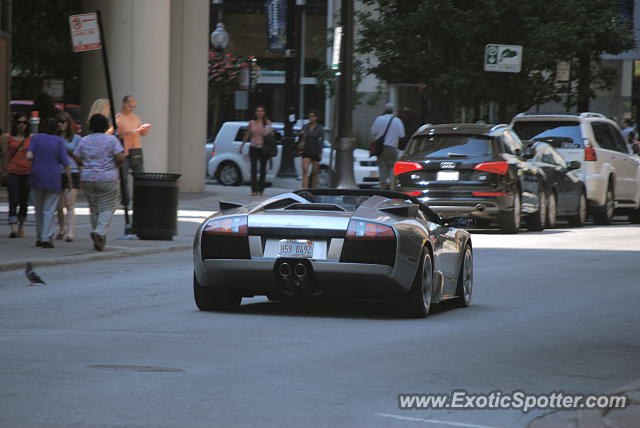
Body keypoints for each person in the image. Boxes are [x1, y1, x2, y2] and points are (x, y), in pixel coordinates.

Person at [72, 114, 125, 251]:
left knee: (94, 209)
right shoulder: (111, 140)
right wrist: (116, 163)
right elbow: (120, 157)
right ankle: (99, 232)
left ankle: (99, 240)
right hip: (108, 177)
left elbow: (76, 157)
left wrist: (87, 164)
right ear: (106, 126)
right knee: (108, 208)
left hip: (88, 177)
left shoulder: (84, 140)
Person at [25, 118, 71, 248]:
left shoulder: (35, 138)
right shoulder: (58, 141)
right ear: (56, 128)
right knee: (49, 209)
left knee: (38, 209)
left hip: (36, 176)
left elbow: (29, 155)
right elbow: (66, 163)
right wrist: (69, 180)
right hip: (52, 178)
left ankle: (39, 237)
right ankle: (46, 237)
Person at [1, 113, 32, 238]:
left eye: (24, 123)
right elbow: (3, 154)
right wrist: (4, 170)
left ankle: (21, 226)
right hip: (13, 171)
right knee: (13, 198)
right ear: (15, 123)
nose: (21, 125)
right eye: (19, 122)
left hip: (27, 172)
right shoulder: (8, 137)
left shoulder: (31, 138)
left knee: (24, 200)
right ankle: (13, 225)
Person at [55, 112, 82, 242]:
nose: (61, 124)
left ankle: (70, 232)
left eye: (63, 122)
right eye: (59, 122)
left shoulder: (76, 138)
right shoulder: (54, 138)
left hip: (73, 171)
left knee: (69, 203)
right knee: (59, 205)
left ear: (68, 123)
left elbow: (81, 156)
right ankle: (61, 228)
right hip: (57, 172)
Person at [239, 105, 272, 196]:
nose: (259, 113)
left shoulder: (267, 123)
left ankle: (261, 189)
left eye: (261, 111)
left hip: (263, 148)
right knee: (253, 169)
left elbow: (269, 135)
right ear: (255, 113)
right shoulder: (251, 122)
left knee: (262, 169)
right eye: (258, 111)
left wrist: (269, 127)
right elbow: (247, 134)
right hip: (253, 147)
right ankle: (253, 190)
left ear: (264, 113)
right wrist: (242, 145)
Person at [371, 103, 405, 189]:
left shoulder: (378, 119)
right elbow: (402, 135)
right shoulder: (397, 121)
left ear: (384, 110)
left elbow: (373, 132)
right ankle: (392, 186)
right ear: (393, 110)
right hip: (392, 147)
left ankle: (382, 186)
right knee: (392, 167)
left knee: (382, 167)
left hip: (381, 148)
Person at [299, 110, 324, 188]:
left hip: (315, 150)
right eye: (309, 116)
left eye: (312, 116)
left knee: (315, 172)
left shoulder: (319, 128)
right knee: (305, 169)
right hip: (306, 149)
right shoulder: (305, 126)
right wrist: (301, 135)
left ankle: (314, 189)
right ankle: (305, 189)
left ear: (316, 117)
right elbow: (301, 138)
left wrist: (320, 151)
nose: (311, 118)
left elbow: (321, 140)